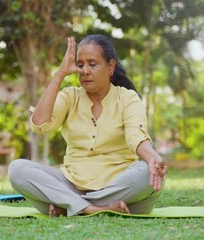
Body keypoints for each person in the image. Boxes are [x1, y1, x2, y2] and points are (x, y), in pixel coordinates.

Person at [9, 35, 167, 217]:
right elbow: (39, 124)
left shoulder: (127, 98)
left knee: (147, 172)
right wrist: (60, 73)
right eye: (80, 64)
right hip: (72, 183)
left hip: (117, 186)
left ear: (110, 67)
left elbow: (136, 138)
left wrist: (153, 157)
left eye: (92, 64)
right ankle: (94, 209)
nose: (84, 70)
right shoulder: (70, 96)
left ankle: (71, 206)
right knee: (17, 169)